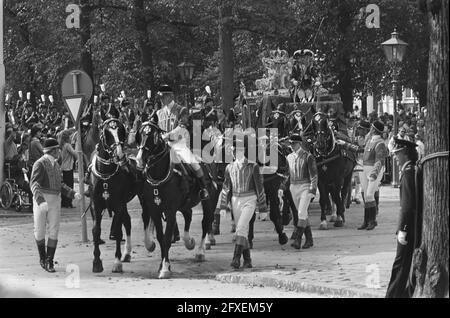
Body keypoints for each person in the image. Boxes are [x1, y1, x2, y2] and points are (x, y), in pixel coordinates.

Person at [30, 138, 81, 272]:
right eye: (57, 149)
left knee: (54, 230)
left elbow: (60, 185)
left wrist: (72, 193)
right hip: (42, 200)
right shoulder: (40, 163)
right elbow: (34, 184)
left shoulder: (57, 165)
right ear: (52, 151)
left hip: (55, 200)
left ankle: (49, 261)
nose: (59, 151)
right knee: (39, 230)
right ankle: (42, 258)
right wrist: (40, 201)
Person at [218, 134, 267, 269]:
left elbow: (259, 188)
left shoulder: (253, 166)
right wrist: (223, 206)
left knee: (240, 228)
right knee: (243, 230)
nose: (235, 153)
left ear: (243, 151)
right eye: (233, 151)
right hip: (235, 200)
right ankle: (248, 260)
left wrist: (263, 208)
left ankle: (236, 258)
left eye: (237, 150)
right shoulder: (229, 167)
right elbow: (226, 187)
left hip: (249, 199)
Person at [155, 84, 209, 200]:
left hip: (178, 144)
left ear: (170, 96)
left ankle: (202, 188)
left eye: (163, 97)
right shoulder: (159, 113)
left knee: (193, 163)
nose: (161, 99)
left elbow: (182, 126)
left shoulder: (181, 109)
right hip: (164, 144)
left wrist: (168, 136)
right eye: (160, 97)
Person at [385, 138, 418, 298]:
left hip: (409, 227)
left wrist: (403, 229)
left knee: (401, 264)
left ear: (405, 154)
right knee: (405, 264)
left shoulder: (408, 173)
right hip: (412, 226)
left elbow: (407, 205)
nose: (395, 158)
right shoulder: (410, 170)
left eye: (397, 154)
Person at [279, 133, 317, 249]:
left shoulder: (308, 156)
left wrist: (313, 189)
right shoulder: (289, 157)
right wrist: (281, 187)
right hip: (293, 187)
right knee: (303, 213)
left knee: (300, 213)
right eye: (290, 143)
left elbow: (314, 175)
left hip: (305, 187)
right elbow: (287, 174)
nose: (292, 145)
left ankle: (298, 240)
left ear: (300, 143)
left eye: (294, 143)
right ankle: (309, 240)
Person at [359, 121, 388, 230]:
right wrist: (346, 144)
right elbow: (361, 150)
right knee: (366, 197)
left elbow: (380, 160)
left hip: (372, 172)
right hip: (365, 169)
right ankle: (366, 221)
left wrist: (374, 173)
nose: (370, 129)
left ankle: (372, 220)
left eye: (371, 127)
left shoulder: (380, 143)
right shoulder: (370, 140)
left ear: (374, 129)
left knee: (369, 195)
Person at [59, 130, 78, 208]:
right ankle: (69, 203)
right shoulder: (67, 145)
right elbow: (75, 154)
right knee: (70, 186)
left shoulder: (62, 145)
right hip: (68, 168)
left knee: (64, 186)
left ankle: (64, 202)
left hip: (62, 167)